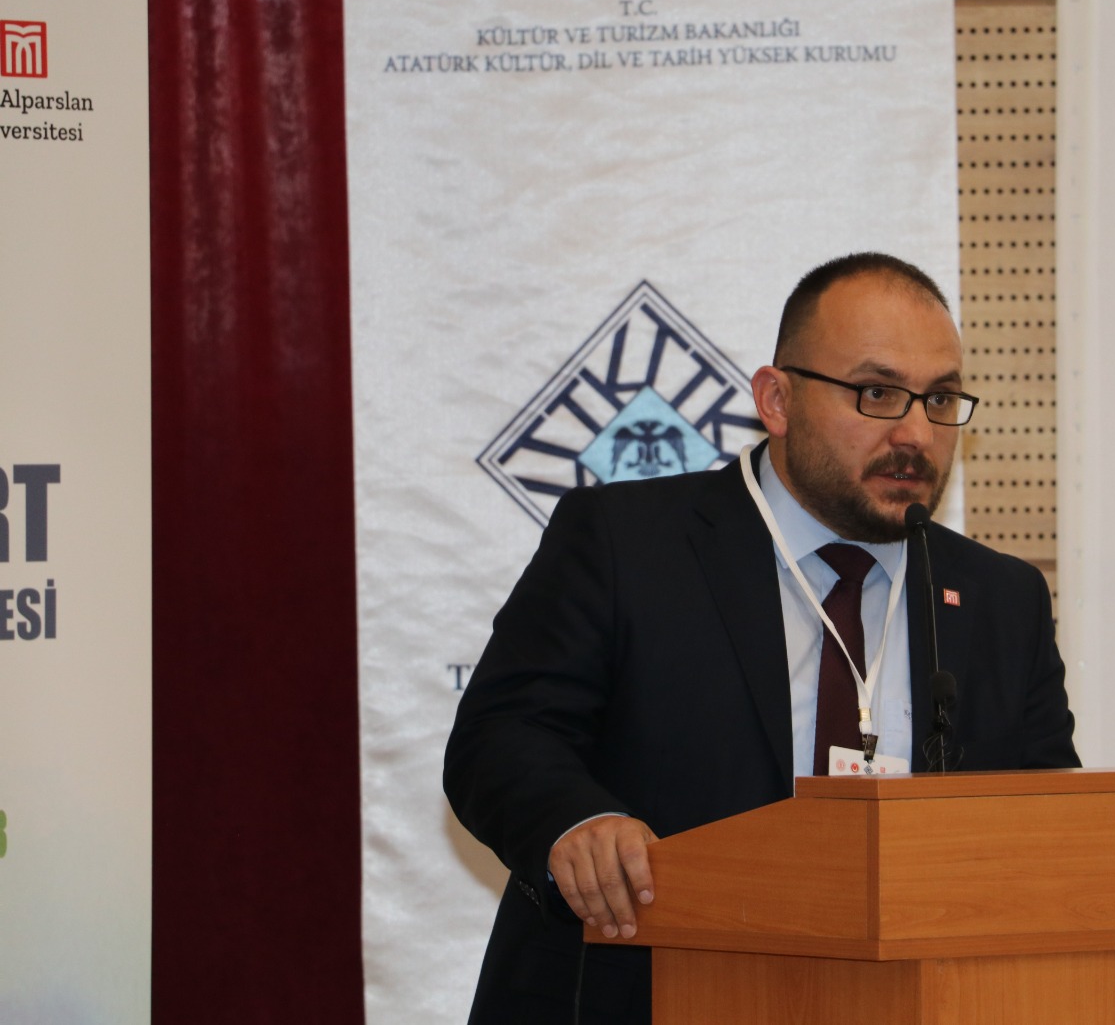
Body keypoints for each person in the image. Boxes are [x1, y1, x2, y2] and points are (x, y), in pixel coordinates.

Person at [444, 252, 1080, 1024]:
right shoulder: (627, 543)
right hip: (646, 994)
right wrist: (576, 823)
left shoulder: (1000, 599)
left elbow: (1049, 827)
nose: (916, 433)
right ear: (777, 400)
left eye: (940, 399)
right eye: (878, 393)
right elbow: (501, 737)